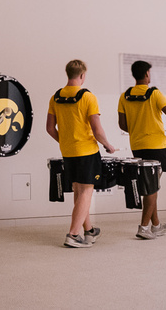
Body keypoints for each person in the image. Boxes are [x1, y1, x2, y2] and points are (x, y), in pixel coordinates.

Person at [47, 60, 117, 248]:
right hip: (87, 151)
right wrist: (108, 145)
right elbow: (97, 130)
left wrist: (65, 142)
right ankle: (73, 234)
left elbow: (49, 128)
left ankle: (89, 230)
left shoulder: (55, 97)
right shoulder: (88, 97)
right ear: (82, 75)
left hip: (68, 152)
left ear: (68, 73)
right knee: (86, 191)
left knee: (79, 192)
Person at [116, 60, 166, 239]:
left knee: (150, 186)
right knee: (151, 189)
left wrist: (138, 130)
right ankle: (144, 228)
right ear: (146, 74)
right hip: (156, 147)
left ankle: (156, 225)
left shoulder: (125, 96)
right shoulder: (155, 94)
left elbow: (122, 124)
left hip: (137, 146)